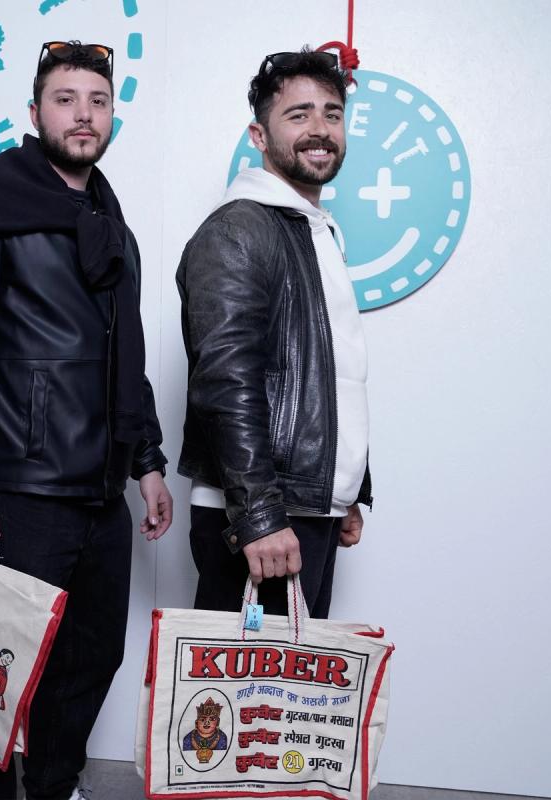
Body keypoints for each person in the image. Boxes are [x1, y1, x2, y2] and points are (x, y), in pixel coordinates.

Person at [0, 40, 172, 800]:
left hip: (100, 488)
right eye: (66, 98)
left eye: (97, 100)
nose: (83, 114)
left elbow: (128, 357)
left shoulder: (110, 225)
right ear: (35, 113)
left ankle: (56, 786)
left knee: (93, 658)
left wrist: (148, 461)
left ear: (112, 114)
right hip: (20, 487)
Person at [176, 47, 372, 620]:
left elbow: (324, 374)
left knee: (288, 707)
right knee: (234, 707)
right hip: (255, 519)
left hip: (302, 510)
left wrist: (341, 491)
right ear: (259, 136)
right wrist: (260, 514)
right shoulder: (240, 228)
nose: (320, 130)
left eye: (332, 114)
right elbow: (225, 383)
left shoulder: (307, 229)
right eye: (299, 115)